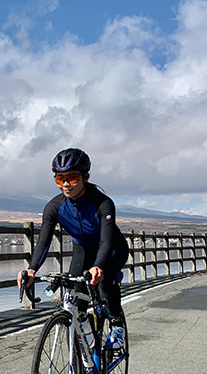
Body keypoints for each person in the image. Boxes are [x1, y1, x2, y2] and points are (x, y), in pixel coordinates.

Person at [17, 147, 129, 348]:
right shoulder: (54, 207)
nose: (66, 184)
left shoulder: (103, 203)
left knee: (103, 282)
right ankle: (86, 352)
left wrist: (99, 266)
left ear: (85, 177)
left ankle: (116, 325)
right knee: (77, 299)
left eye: (71, 178)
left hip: (111, 248)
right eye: (60, 179)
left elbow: (106, 241)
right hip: (83, 249)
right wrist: (32, 269)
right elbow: (44, 241)